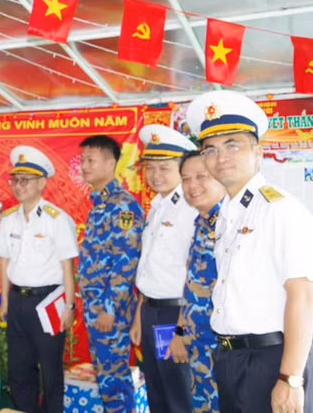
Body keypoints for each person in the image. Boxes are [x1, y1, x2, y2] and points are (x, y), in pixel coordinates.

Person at [187, 90, 313, 413]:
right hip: (231, 357)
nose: (221, 156)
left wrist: (291, 378)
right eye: (210, 149)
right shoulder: (229, 214)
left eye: (233, 145)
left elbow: (303, 295)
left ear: (258, 151)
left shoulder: (278, 209)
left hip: (270, 361)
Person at [0, 145, 78, 413]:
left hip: (48, 302)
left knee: (51, 372)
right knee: (19, 370)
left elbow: (67, 266)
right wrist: (4, 302)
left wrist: (70, 307)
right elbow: (4, 262)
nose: (19, 186)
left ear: (42, 183)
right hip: (17, 302)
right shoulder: (8, 220)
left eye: (25, 181)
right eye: (15, 180)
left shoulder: (57, 219)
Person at [130, 124, 198, 412]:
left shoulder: (190, 209)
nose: (155, 175)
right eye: (150, 167)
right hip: (151, 312)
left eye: (165, 168)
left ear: (181, 168)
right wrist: (138, 317)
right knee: (156, 388)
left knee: (177, 392)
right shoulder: (157, 206)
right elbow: (151, 269)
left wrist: (181, 330)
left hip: (175, 314)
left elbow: (194, 275)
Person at [78, 135, 144, 412]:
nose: (83, 166)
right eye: (82, 160)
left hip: (109, 310)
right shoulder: (99, 204)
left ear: (110, 163)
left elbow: (125, 261)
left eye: (90, 160)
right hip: (96, 306)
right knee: (105, 376)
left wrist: (109, 308)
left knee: (114, 380)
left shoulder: (122, 205)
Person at [166, 150, 225, 412]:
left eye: (201, 176)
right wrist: (180, 331)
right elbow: (191, 286)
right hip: (196, 343)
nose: (192, 186)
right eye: (186, 178)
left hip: (223, 348)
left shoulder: (231, 223)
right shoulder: (200, 223)